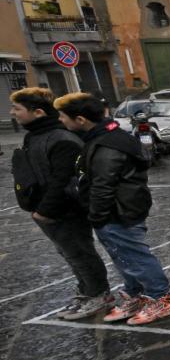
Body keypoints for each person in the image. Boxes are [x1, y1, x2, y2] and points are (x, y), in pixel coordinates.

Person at [54, 92, 170, 325]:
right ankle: (138, 296)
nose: (60, 121)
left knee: (135, 257)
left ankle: (161, 298)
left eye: (62, 116)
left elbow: (103, 184)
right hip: (116, 210)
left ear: (80, 119)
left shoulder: (108, 144)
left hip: (119, 211)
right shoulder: (103, 137)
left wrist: (97, 216)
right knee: (123, 258)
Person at [10, 87, 112, 319]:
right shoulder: (34, 136)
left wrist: (45, 210)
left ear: (37, 112)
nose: (13, 113)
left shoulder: (62, 139)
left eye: (17, 108)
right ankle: (86, 291)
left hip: (64, 211)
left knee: (80, 252)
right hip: (45, 211)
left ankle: (98, 294)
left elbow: (64, 179)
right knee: (69, 253)